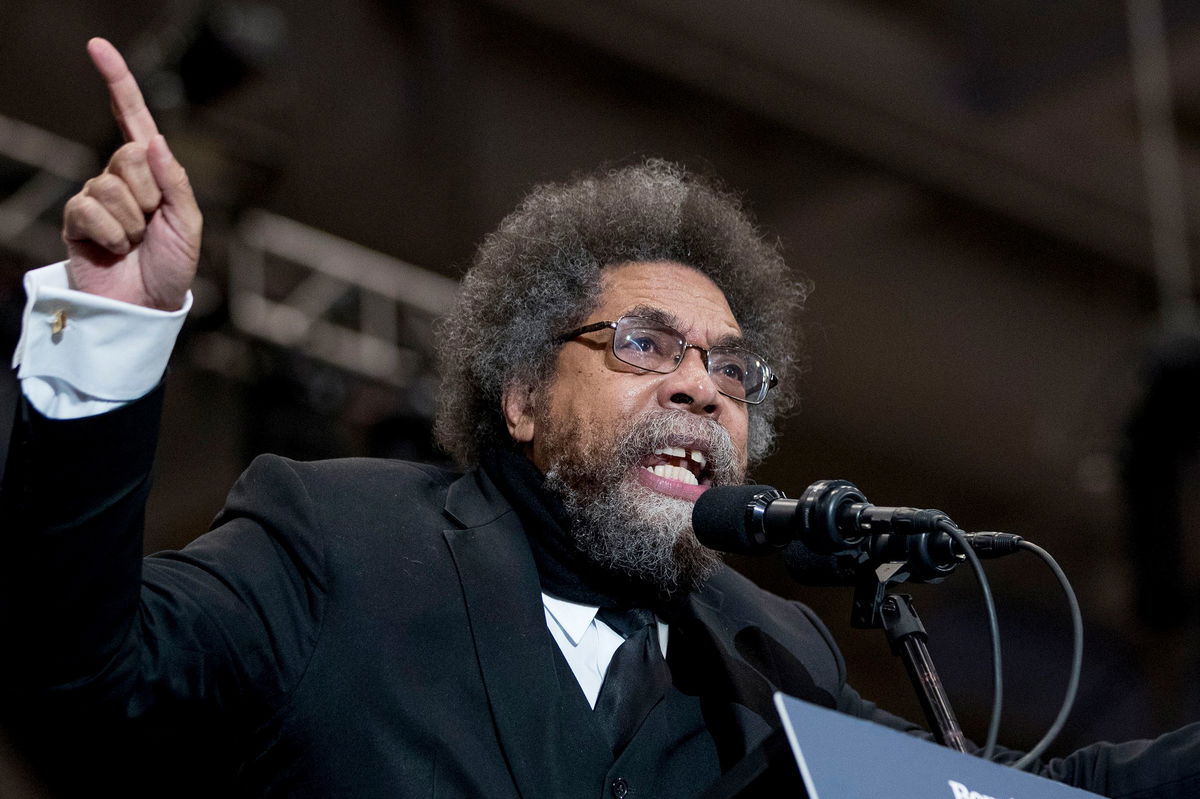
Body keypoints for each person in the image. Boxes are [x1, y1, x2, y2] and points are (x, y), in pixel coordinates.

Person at [3, 38, 1200, 799]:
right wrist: (107, 335)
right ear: (521, 394)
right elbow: (78, 678)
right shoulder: (340, 538)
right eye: (645, 345)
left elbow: (1010, 794)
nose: (700, 387)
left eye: (734, 372)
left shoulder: (773, 650)